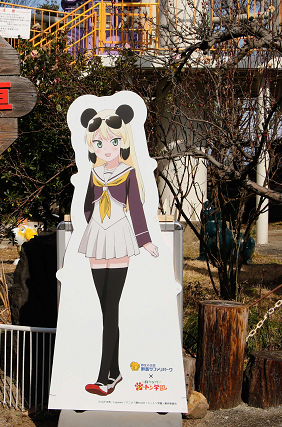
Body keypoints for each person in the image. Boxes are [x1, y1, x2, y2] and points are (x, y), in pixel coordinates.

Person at [77, 104, 159, 396]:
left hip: (120, 237)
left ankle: (104, 378)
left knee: (111, 309)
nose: (106, 148)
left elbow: (135, 207)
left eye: (112, 141)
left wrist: (144, 240)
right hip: (97, 237)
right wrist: (94, 225)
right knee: (106, 310)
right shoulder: (94, 173)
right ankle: (115, 372)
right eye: (99, 143)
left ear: (122, 142)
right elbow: (87, 206)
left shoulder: (128, 173)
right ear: (92, 145)